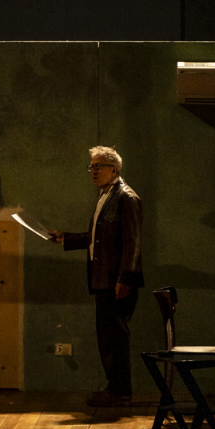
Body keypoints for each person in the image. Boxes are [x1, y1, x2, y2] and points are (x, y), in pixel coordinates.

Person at [50, 146, 144, 408]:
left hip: (116, 282)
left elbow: (132, 243)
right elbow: (99, 239)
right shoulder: (106, 196)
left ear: (113, 169)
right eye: (91, 166)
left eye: (98, 166)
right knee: (107, 338)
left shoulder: (126, 198)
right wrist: (65, 238)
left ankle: (120, 391)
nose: (93, 171)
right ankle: (115, 388)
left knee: (115, 338)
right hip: (103, 279)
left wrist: (124, 279)